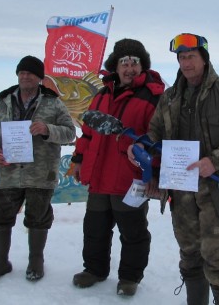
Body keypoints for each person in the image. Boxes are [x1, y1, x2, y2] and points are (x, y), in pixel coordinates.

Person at [128, 33, 219, 305]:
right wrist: (141, 148)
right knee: (189, 252)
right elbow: (155, 133)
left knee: (217, 254)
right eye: (181, 57)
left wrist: (215, 159)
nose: (185, 62)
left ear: (204, 58)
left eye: (191, 56)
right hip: (181, 188)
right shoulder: (169, 97)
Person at [70, 39, 165, 296]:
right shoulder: (101, 95)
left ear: (143, 66)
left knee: (133, 232)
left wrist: (154, 172)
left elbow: (159, 139)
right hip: (99, 176)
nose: (130, 68)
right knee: (94, 229)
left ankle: (129, 278)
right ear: (116, 66)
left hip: (130, 179)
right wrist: (78, 159)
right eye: (125, 62)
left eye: (135, 62)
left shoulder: (153, 97)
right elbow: (88, 132)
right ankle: (94, 270)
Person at [0, 55, 76, 284]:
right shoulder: (3, 101)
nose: (25, 76)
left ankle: (36, 261)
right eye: (21, 72)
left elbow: (70, 133)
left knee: (38, 217)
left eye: (30, 73)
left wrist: (47, 129)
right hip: (7, 172)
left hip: (40, 173)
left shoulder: (53, 102)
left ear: (39, 78)